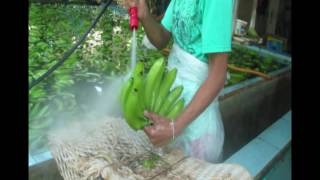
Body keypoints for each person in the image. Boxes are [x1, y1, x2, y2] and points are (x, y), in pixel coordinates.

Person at [125, 0, 233, 163]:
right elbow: (162, 39)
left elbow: (217, 76)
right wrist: (145, 15)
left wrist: (176, 126)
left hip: (197, 122)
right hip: (172, 100)